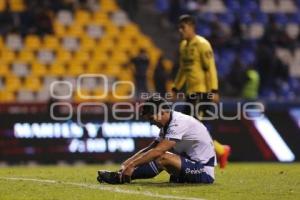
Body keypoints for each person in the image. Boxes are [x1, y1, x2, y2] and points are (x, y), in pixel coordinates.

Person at [97, 96, 216, 184]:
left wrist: (132, 166)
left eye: (151, 118)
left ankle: (120, 178)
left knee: (161, 157)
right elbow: (152, 148)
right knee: (156, 154)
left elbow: (158, 151)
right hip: (192, 166)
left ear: (163, 112)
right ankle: (121, 175)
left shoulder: (179, 123)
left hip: (203, 172)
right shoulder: (170, 123)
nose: (151, 123)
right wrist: (127, 163)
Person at [172, 14, 230, 168]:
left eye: (183, 27)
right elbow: (183, 70)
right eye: (179, 27)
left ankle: (208, 155)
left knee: (194, 128)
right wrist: (176, 87)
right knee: (188, 128)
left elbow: (210, 68)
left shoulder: (203, 44)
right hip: (190, 94)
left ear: (191, 27)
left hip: (202, 94)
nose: (180, 30)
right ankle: (220, 150)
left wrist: (214, 90)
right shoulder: (183, 46)